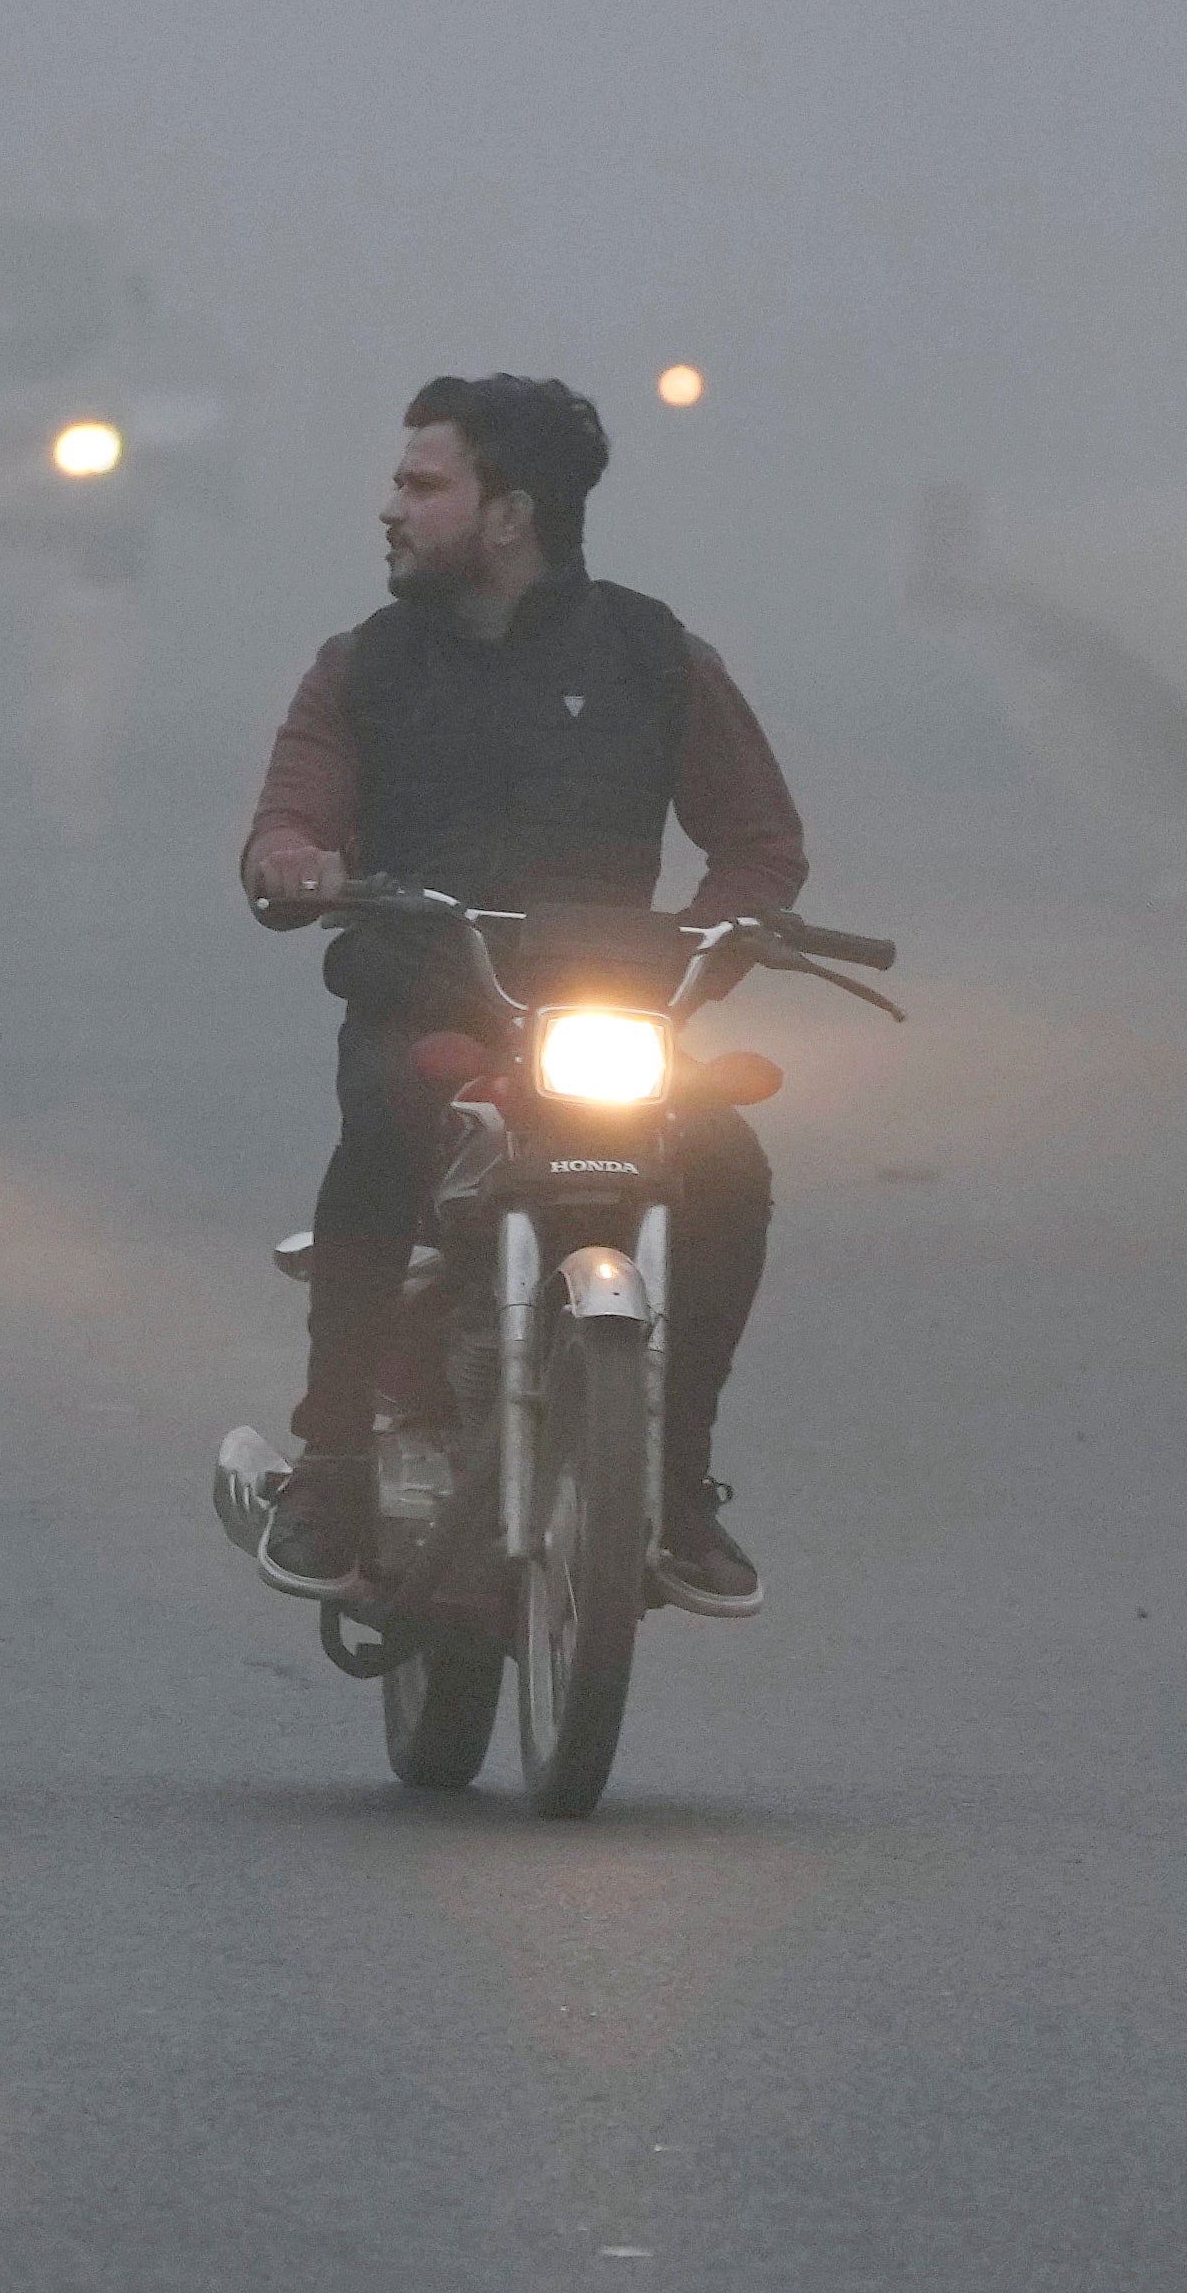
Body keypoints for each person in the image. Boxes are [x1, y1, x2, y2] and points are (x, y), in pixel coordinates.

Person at [241, 374, 810, 1615]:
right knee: (381, 1135)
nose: (390, 508)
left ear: (511, 513)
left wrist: (727, 925)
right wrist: (294, 861)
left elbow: (760, 842)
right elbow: (288, 819)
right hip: (427, 1015)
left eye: (421, 484)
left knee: (726, 1170)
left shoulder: (658, 657)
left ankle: (676, 1483)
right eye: (400, 482)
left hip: (611, 1031)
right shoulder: (364, 668)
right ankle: (333, 1459)